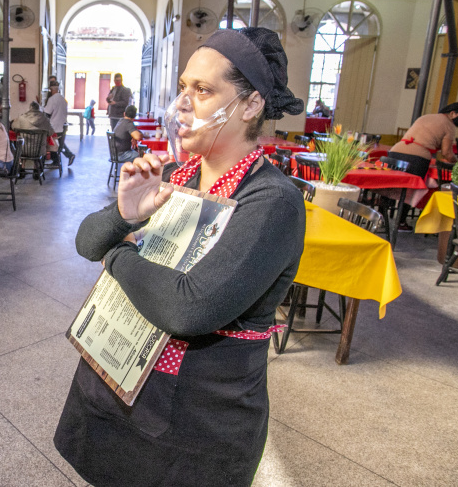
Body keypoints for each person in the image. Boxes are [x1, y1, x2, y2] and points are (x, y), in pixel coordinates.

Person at [54, 27, 307, 487]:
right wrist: (124, 214)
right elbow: (86, 242)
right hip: (123, 386)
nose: (183, 104)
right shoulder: (177, 176)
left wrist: (119, 257)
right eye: (184, 88)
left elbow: (188, 307)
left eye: (204, 90)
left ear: (250, 105)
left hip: (195, 419)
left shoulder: (270, 201)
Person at [389, 102, 458, 178]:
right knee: (412, 186)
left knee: (394, 183)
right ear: (452, 114)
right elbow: (447, 153)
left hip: (395, 152)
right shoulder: (449, 125)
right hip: (416, 157)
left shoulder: (426, 116)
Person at [44, 80, 75, 166]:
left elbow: (47, 113)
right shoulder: (63, 99)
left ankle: (58, 160)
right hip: (63, 125)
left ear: (50, 89)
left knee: (52, 144)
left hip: (54, 125)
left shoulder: (52, 99)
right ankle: (67, 156)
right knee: (60, 144)